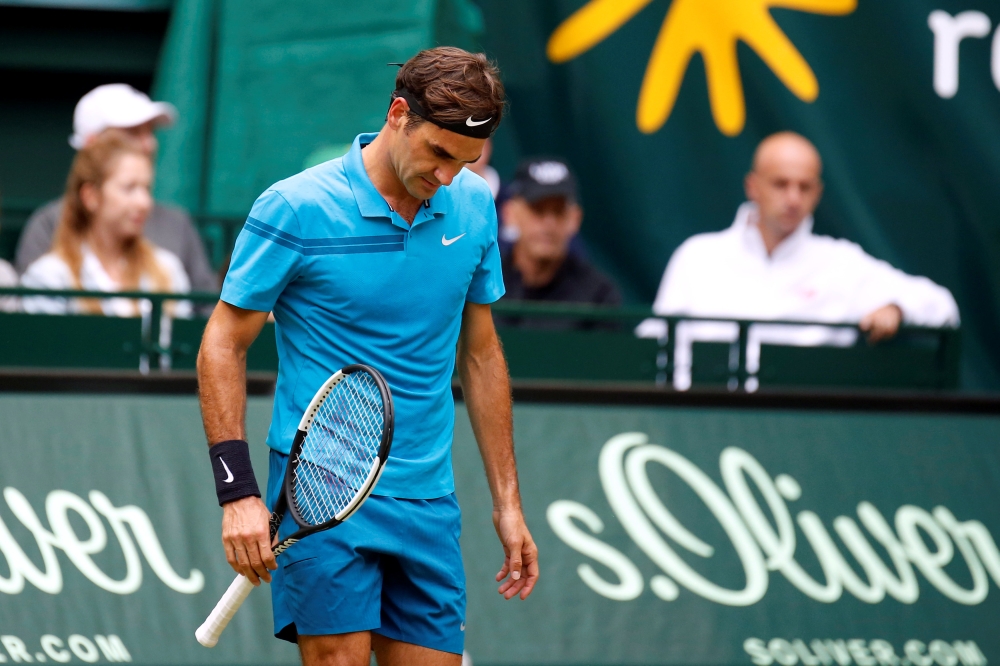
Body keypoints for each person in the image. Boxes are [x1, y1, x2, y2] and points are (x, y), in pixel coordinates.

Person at [196, 47, 537, 666]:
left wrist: (507, 502)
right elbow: (222, 342)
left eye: (465, 164)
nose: (447, 179)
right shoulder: (294, 207)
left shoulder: (475, 205)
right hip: (319, 492)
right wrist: (238, 491)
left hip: (428, 498)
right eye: (438, 154)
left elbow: (482, 356)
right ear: (398, 114)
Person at [637, 131, 959, 389]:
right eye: (781, 184)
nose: (793, 199)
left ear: (818, 193)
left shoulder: (841, 263)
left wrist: (896, 307)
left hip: (805, 435)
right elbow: (655, 349)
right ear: (753, 186)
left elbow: (943, 308)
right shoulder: (698, 257)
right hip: (702, 426)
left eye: (804, 187)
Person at [14, 84, 218, 293]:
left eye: (150, 132)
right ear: (92, 144)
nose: (148, 144)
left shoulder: (176, 227)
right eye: (131, 133)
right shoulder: (47, 227)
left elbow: (203, 309)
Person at [20, 131, 191, 321]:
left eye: (147, 188)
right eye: (129, 188)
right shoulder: (50, 277)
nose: (144, 202)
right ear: (91, 196)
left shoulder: (167, 269)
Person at [496, 158, 620, 330]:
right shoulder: (481, 286)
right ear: (509, 214)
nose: (549, 224)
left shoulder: (598, 297)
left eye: (558, 211)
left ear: (575, 219)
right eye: (537, 209)